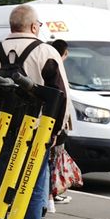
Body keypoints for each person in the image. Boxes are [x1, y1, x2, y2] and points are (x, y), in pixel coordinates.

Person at [0, 4, 71, 219]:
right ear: (34, 26)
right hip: (36, 132)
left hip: (2, 131)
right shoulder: (46, 52)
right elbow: (61, 95)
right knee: (31, 189)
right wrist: (56, 131)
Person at [48, 39, 72, 208]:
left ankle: (50, 196)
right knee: (52, 162)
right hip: (54, 125)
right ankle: (51, 195)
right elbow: (63, 98)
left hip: (49, 124)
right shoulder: (57, 68)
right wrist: (60, 127)